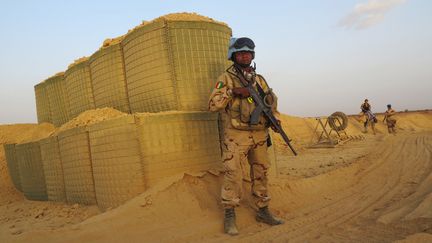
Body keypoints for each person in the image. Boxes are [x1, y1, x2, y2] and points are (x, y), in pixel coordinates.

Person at [208, 37, 284, 235]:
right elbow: (213, 105)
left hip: (259, 134)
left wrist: (276, 120)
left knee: (261, 172)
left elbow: (270, 104)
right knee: (233, 174)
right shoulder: (225, 78)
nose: (245, 56)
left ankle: (263, 210)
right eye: (241, 53)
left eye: (248, 53)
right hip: (236, 135)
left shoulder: (259, 80)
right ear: (233, 56)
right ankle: (230, 214)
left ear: (253, 55)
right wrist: (233, 92)